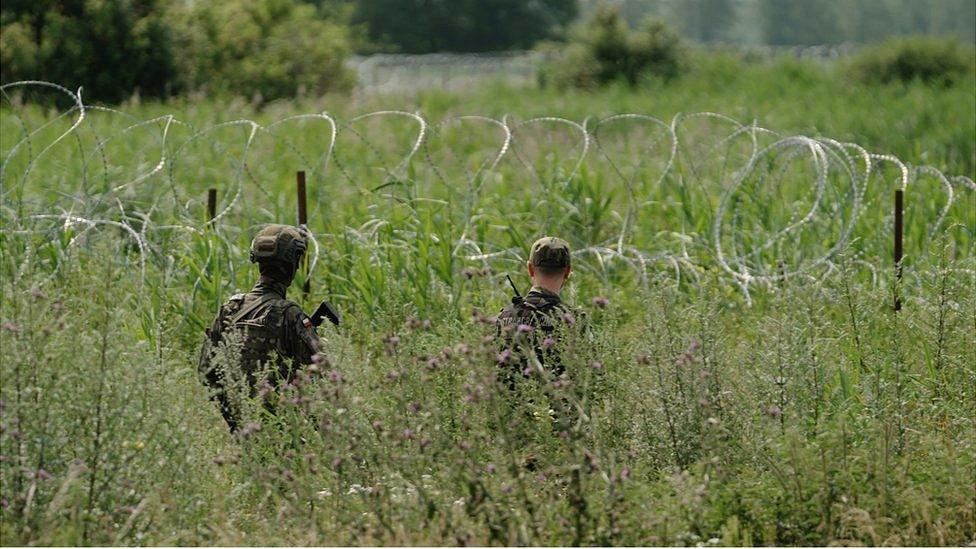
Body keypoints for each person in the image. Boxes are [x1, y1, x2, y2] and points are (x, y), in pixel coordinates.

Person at [198, 224, 322, 433]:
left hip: (247, 430)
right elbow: (324, 374)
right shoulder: (289, 314)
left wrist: (236, 420)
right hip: (285, 434)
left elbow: (206, 371)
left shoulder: (231, 309)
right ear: (292, 265)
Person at [496, 236, 583, 389]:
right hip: (560, 410)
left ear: (530, 268)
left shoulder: (505, 317)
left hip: (513, 409)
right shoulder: (575, 320)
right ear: (567, 271)